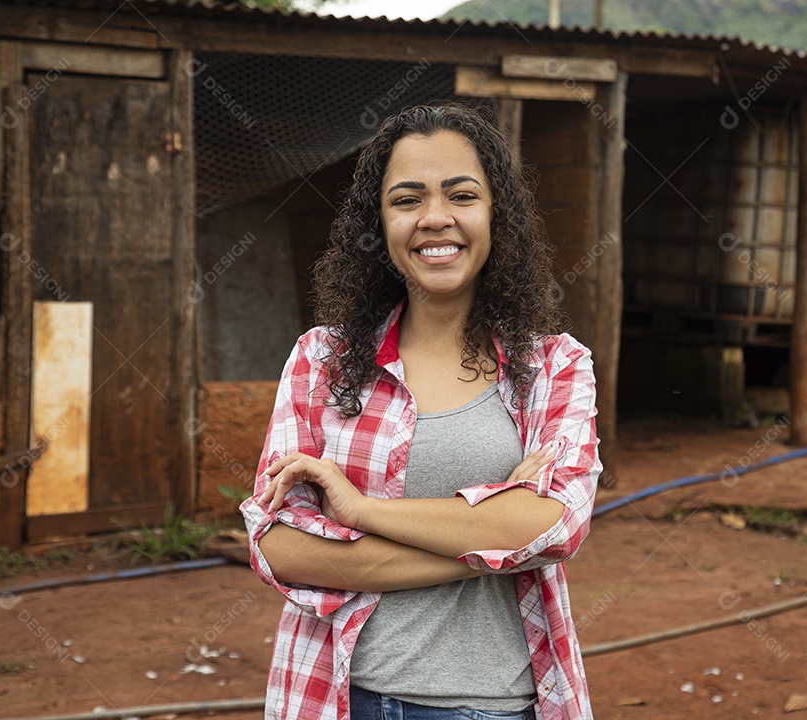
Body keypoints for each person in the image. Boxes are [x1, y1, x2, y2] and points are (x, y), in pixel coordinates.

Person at [241, 102, 601, 720]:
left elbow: (557, 524)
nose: (435, 219)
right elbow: (278, 546)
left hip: (497, 706)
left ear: (497, 215)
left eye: (461, 195)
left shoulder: (553, 367)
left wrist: (360, 512)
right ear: (378, 223)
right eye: (407, 200)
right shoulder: (321, 361)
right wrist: (500, 531)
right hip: (338, 698)